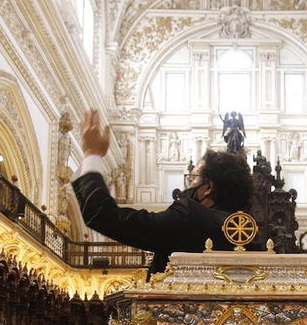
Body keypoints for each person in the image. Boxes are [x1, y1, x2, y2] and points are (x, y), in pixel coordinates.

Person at [73, 109, 254, 276]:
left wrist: (92, 154)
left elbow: (103, 215)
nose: (187, 186)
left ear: (208, 188)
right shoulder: (245, 232)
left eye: (193, 178)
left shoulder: (189, 217)